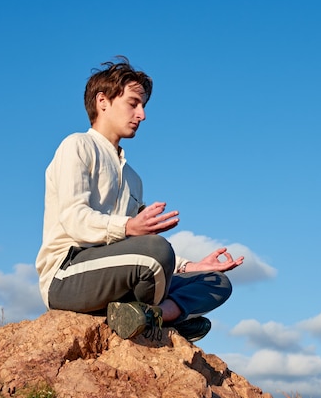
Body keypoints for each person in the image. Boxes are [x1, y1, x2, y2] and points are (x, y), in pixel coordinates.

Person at [35, 56, 243, 342]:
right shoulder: (77, 146)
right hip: (68, 274)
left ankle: (151, 315)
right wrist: (130, 227)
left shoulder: (133, 178)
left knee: (216, 282)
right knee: (157, 251)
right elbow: (74, 220)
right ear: (102, 102)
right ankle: (170, 319)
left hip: (120, 270)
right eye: (133, 103)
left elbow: (136, 248)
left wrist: (189, 267)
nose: (142, 114)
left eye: (143, 106)